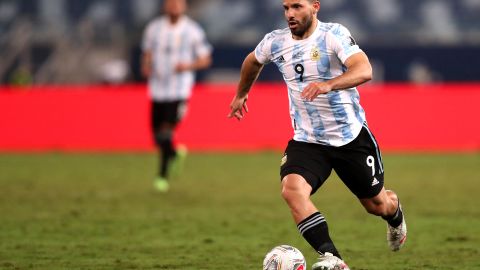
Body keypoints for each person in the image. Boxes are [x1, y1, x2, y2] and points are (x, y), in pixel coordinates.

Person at [228, 0, 407, 269]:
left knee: (377, 205)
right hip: (307, 139)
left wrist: (328, 85)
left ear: (315, 7)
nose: (290, 14)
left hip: (350, 138)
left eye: (297, 7)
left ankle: (396, 217)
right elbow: (252, 61)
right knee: (292, 190)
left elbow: (364, 69)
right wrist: (242, 93)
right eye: (286, 8)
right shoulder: (275, 42)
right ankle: (333, 259)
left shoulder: (333, 35)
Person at [142, 0, 212, 192]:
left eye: (178, 3)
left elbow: (205, 59)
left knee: (166, 133)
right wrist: (146, 65)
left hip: (179, 89)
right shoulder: (154, 28)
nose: (174, 6)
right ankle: (174, 153)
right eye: (170, 3)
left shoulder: (192, 30)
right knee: (157, 137)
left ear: (184, 6)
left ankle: (162, 177)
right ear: (165, 6)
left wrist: (187, 66)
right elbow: (147, 52)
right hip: (157, 88)